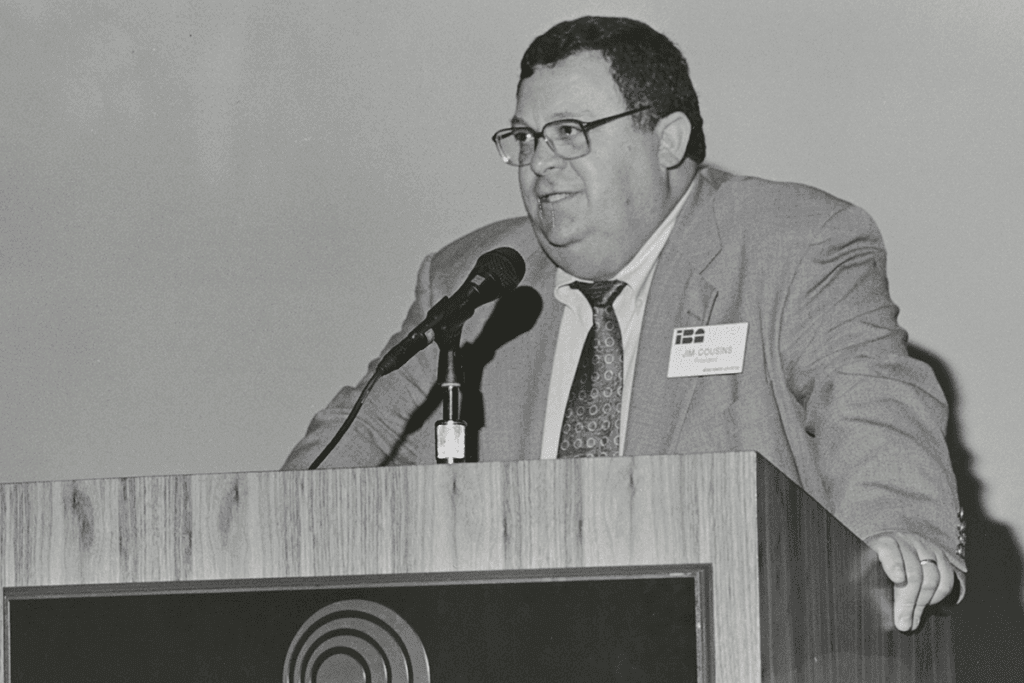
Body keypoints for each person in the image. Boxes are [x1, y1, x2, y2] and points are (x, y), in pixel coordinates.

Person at [284, 16, 966, 632]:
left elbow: (871, 399)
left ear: (667, 139)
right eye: (524, 138)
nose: (540, 162)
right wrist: (269, 546)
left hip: (732, 632)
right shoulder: (473, 278)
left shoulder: (791, 244)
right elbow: (367, 434)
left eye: (570, 132)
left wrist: (899, 530)